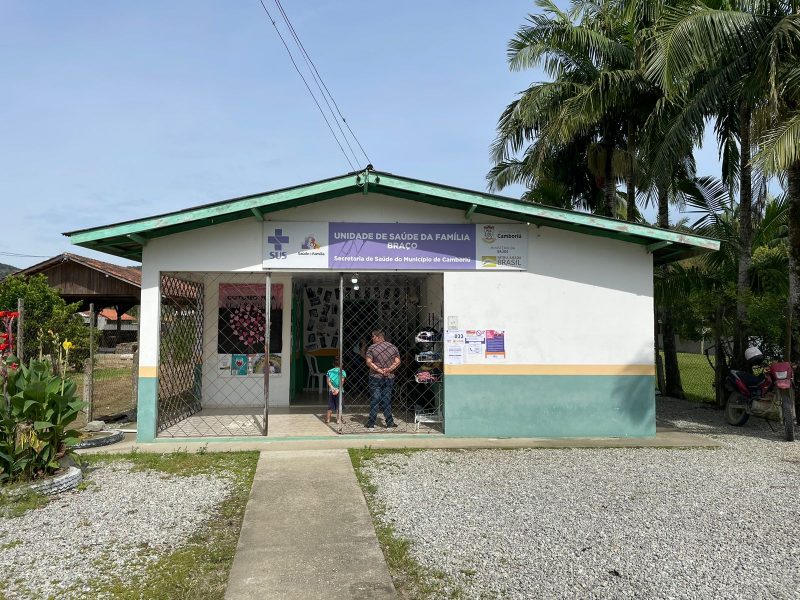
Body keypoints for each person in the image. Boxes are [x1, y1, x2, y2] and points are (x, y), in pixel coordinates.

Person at [364, 329, 401, 429]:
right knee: (387, 399)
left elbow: (368, 362)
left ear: (377, 336)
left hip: (375, 377)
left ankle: (371, 423)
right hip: (389, 377)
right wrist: (388, 369)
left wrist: (380, 370)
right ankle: (389, 422)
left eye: (373, 336)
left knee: (375, 399)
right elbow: (397, 361)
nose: (372, 339)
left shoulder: (372, 348)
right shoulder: (392, 347)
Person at [326, 357, 346, 424]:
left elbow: (328, 381)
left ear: (333, 363)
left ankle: (328, 419)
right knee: (339, 406)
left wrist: (332, 388)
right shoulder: (342, 372)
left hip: (331, 391)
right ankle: (338, 420)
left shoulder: (329, 371)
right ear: (342, 364)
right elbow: (342, 381)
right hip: (340, 391)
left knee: (330, 406)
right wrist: (337, 389)